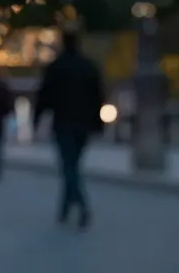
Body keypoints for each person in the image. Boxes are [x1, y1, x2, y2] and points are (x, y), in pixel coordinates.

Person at [35, 32, 105, 228]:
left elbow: (44, 96)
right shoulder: (89, 67)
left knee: (69, 166)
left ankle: (81, 205)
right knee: (72, 165)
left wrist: (36, 119)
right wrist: (98, 124)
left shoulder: (56, 67)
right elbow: (98, 96)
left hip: (63, 122)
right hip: (83, 124)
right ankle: (65, 208)